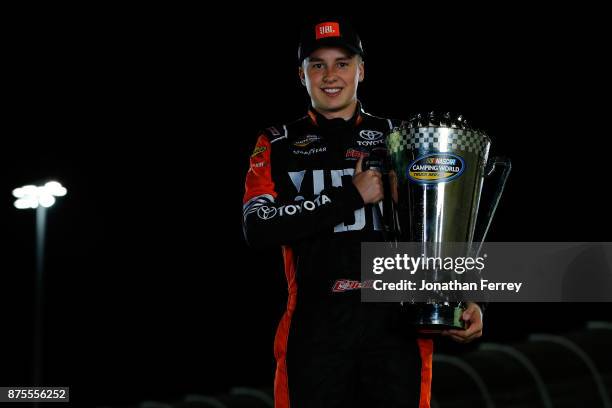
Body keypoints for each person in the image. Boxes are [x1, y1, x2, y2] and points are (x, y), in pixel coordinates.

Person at [242, 17, 483, 408]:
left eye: (342, 62)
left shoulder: (402, 137)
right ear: (301, 74)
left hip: (393, 327)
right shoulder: (276, 142)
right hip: (314, 329)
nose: (330, 75)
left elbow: (441, 223)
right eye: (317, 64)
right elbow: (257, 227)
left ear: (361, 69)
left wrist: (466, 295)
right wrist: (350, 196)